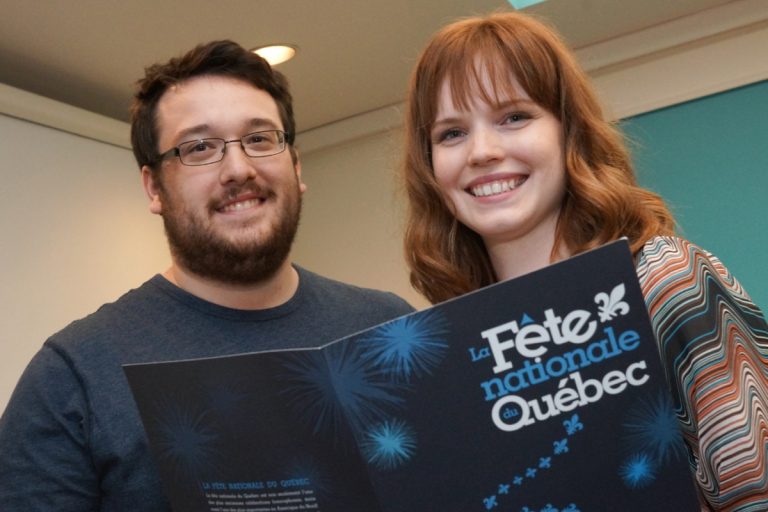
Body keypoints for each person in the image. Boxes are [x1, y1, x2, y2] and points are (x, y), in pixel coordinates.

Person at [0, 40, 413, 511]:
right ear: (154, 187)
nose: (238, 168)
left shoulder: (390, 328)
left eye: (259, 139)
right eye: (199, 147)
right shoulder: (72, 376)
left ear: (296, 166)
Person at [401, 12, 768, 511]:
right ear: (429, 167)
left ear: (567, 131)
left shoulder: (666, 280)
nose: (482, 152)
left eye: (514, 117)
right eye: (451, 133)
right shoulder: (454, 348)